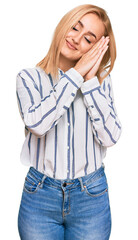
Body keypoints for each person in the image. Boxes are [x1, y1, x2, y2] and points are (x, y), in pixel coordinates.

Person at [16, 4, 122, 240]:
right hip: (39, 197)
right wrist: (76, 75)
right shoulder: (29, 78)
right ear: (64, 24)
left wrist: (90, 81)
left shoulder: (102, 83)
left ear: (95, 50)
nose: (75, 38)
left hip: (91, 197)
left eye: (88, 39)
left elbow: (111, 137)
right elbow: (37, 124)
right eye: (75, 27)